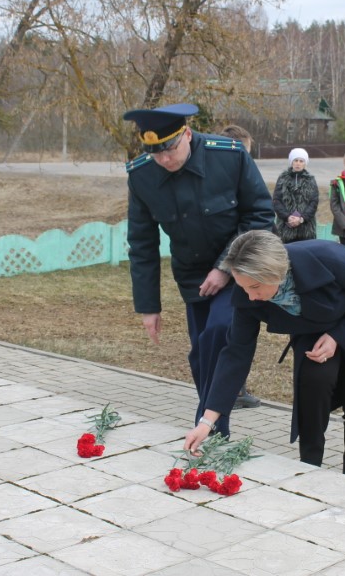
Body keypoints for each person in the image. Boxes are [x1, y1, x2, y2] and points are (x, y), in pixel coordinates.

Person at [182, 230, 345, 480]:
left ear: (274, 273)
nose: (250, 296)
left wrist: (338, 336)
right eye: (243, 287)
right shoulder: (248, 292)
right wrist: (207, 422)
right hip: (313, 324)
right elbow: (235, 354)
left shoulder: (327, 257)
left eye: (255, 287)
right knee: (313, 380)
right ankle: (309, 468)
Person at [124, 103, 275, 437]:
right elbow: (142, 244)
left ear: (187, 135)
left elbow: (260, 215)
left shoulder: (229, 156)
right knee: (201, 355)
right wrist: (149, 307)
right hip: (192, 276)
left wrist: (225, 267)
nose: (164, 159)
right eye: (155, 153)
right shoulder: (142, 176)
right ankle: (214, 429)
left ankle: (209, 429)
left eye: (170, 149)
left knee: (219, 333)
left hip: (239, 268)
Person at [216, 124, 262, 410]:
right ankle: (229, 391)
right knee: (231, 332)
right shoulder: (228, 181)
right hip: (231, 268)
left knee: (235, 331)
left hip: (234, 267)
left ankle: (233, 388)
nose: (248, 159)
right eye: (245, 153)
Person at [273, 148, 319, 243]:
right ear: (292, 162)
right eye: (296, 160)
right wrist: (287, 217)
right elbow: (277, 200)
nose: (298, 163)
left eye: (301, 161)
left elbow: (313, 202)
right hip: (285, 227)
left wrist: (302, 219)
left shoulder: (310, 180)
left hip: (305, 228)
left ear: (305, 163)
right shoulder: (282, 179)